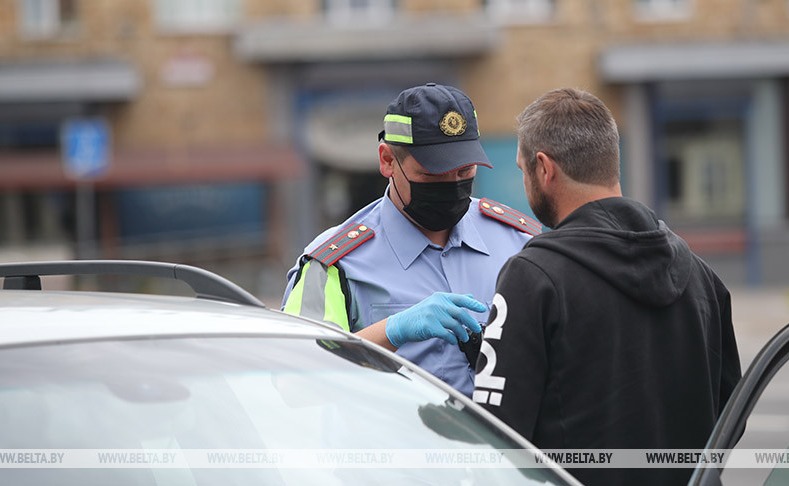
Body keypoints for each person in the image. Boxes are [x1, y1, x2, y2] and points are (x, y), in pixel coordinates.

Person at [472, 88, 741, 485]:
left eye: (521, 168)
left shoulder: (531, 277)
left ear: (544, 169)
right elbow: (730, 418)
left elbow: (494, 441)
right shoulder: (702, 278)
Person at [282, 83, 541, 397]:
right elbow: (296, 378)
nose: (452, 185)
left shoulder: (520, 240)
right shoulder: (333, 263)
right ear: (387, 160)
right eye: (432, 175)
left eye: (464, 172)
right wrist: (391, 332)